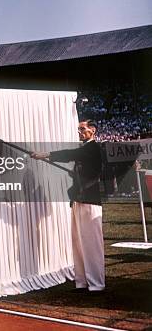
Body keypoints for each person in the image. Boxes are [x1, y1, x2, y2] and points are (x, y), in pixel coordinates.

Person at [31, 120, 105, 292]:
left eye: (82, 129)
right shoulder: (85, 149)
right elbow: (80, 166)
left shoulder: (93, 148)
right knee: (78, 242)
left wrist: (46, 154)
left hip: (90, 201)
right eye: (78, 129)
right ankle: (81, 281)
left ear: (92, 130)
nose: (79, 132)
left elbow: (71, 154)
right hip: (78, 200)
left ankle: (97, 284)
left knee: (91, 244)